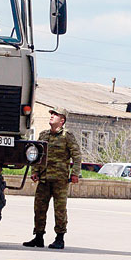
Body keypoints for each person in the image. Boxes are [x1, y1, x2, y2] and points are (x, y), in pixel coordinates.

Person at [23, 107, 81, 250]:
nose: (51, 116)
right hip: (44, 178)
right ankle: (38, 237)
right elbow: (36, 154)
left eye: (55, 115)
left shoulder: (67, 136)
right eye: (51, 114)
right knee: (39, 208)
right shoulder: (43, 135)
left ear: (62, 120)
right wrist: (35, 171)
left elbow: (77, 155)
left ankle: (59, 238)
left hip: (60, 180)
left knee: (60, 210)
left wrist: (74, 173)